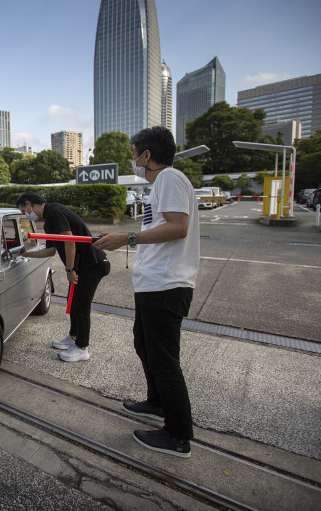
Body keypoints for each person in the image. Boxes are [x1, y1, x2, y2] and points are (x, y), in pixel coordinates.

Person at [94, 126, 200, 458]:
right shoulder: (160, 185)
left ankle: (178, 435)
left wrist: (126, 238)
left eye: (134, 152)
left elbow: (178, 227)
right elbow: (164, 227)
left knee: (164, 359)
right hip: (154, 284)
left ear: (147, 156)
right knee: (145, 346)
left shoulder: (169, 178)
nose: (133, 159)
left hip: (166, 285)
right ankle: (157, 403)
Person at [16, 192, 110, 362]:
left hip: (92, 264)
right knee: (72, 301)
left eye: (24, 211)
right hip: (82, 265)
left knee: (81, 306)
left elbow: (69, 241)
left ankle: (82, 348)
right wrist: (26, 253)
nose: (26, 215)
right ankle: (73, 336)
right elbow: (51, 250)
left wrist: (69, 269)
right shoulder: (49, 221)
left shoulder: (54, 212)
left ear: (29, 204)